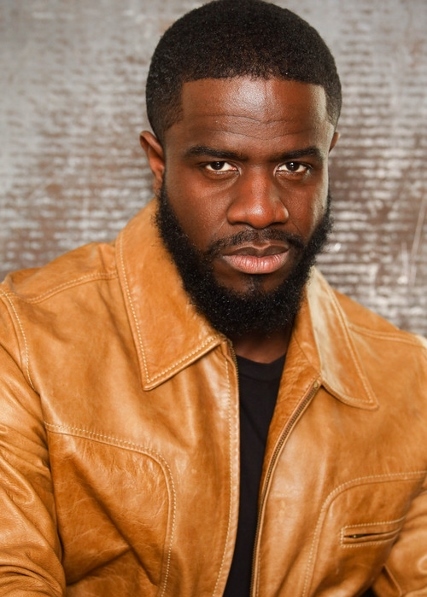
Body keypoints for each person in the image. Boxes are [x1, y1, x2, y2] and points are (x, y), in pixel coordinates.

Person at [0, 0, 426, 594]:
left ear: (328, 159)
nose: (261, 210)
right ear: (159, 163)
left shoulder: (409, 378)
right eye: (219, 165)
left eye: (295, 167)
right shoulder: (27, 335)